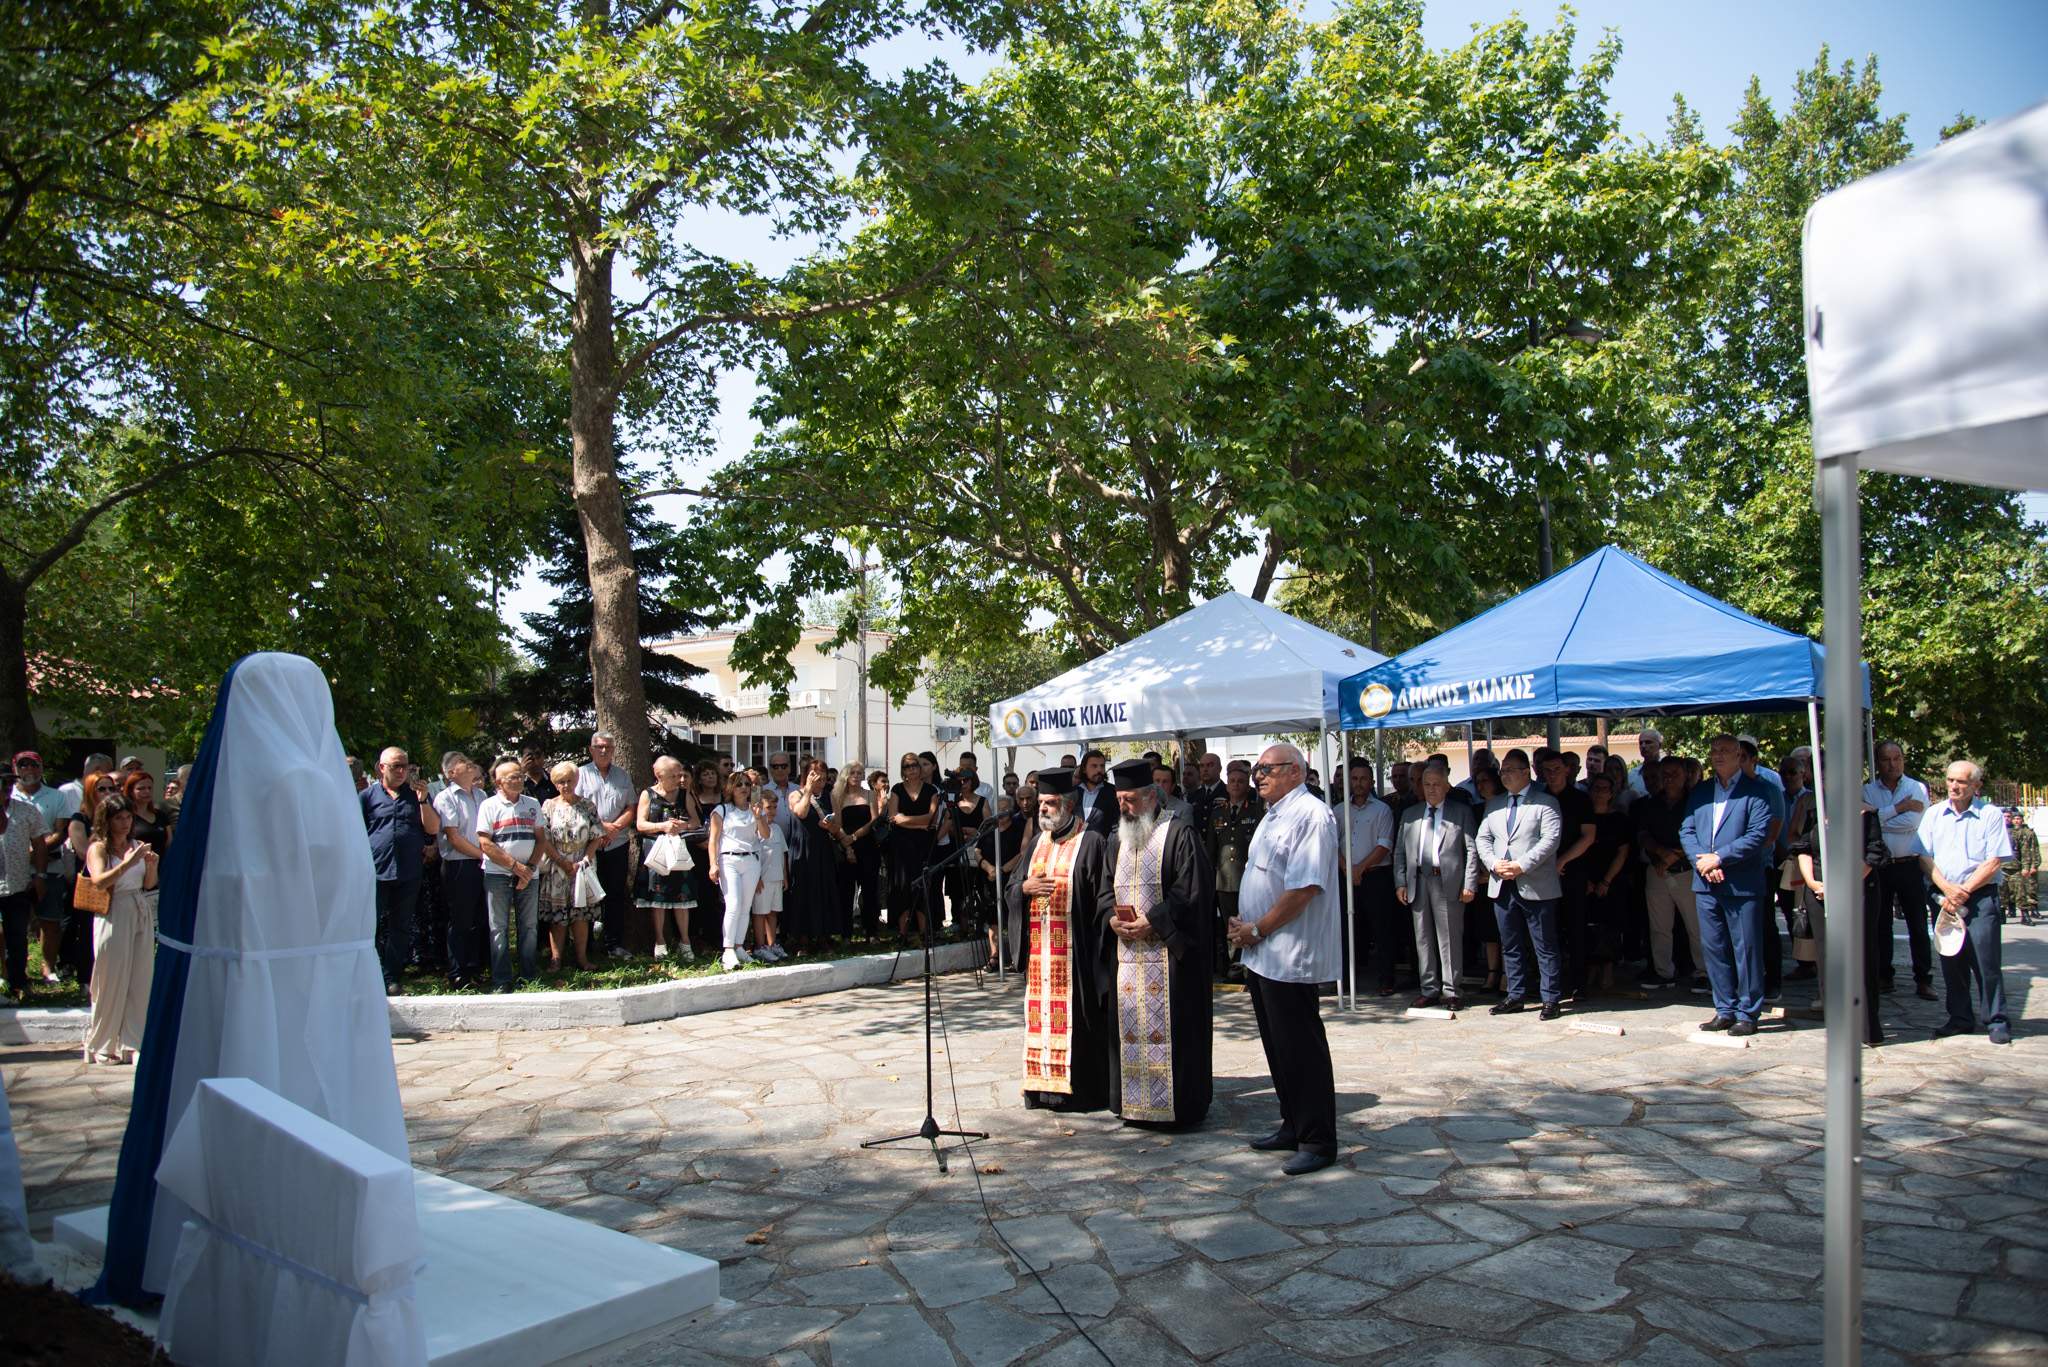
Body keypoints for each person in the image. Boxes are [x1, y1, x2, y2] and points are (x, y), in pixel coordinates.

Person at [1227, 744, 1341, 1175]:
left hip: (1290, 952)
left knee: (1301, 1048)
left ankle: (1317, 1140)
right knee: (1278, 1047)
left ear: (1295, 772)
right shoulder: (1274, 813)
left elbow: (1303, 889)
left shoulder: (1312, 815)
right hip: (1262, 952)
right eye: (1257, 768)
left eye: (1267, 769)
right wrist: (1246, 924)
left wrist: (1257, 928)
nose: (1258, 776)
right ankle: (1293, 1125)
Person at [1102, 757, 1214, 1130]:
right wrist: (1112, 919)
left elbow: (1193, 891)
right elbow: (1103, 891)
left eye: (1130, 799)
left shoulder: (1180, 834)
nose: (1124, 807)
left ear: (1152, 797)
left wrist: (1155, 921)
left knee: (1177, 1031)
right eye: (1120, 800)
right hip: (1127, 959)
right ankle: (1131, 1104)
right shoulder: (1116, 840)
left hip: (1170, 960)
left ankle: (1179, 1107)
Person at [1006, 767, 1116, 1113]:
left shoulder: (1091, 842)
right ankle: (1041, 1089)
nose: (1042, 808)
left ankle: (1080, 1092)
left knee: (1080, 1025)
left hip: (1077, 957)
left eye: (1049, 803)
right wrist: (1025, 888)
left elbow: (1104, 897)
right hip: (1040, 959)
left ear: (1069, 805)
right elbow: (1012, 886)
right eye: (1041, 803)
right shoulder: (1037, 843)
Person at [1784, 754, 1889, 1042]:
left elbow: (1873, 856)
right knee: (1828, 958)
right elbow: (1803, 848)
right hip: (1819, 893)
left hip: (1857, 892)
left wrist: (1839, 886)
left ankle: (1867, 1028)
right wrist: (1811, 882)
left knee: (1860, 957)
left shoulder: (1866, 814)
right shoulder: (1816, 813)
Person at [1680, 734, 1778, 1036]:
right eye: (1713, 751)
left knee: (1746, 950)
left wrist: (1719, 858)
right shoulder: (1701, 791)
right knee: (1714, 948)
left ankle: (1748, 1013)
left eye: (1724, 750)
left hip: (1742, 884)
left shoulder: (1758, 790)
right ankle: (1724, 1009)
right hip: (1706, 883)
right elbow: (1686, 830)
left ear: (1739, 755)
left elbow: (1758, 836)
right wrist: (1701, 862)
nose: (1717, 755)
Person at [1920, 761, 2013, 1045]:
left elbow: (1994, 860)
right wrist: (1947, 889)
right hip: (1943, 897)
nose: (1954, 786)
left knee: (1986, 960)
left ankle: (1996, 1020)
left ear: (1976, 785)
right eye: (1950, 780)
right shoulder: (1934, 814)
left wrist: (1964, 890)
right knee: (1951, 959)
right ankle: (1960, 1018)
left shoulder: (1990, 814)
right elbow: (1924, 857)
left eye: (1961, 781)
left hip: (1980, 897)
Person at [1475, 749, 1566, 1018]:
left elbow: (1550, 841)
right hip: (1502, 885)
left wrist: (1520, 865)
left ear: (1526, 773)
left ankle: (1551, 998)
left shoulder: (1546, 802)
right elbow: (1483, 839)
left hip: (1536, 884)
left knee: (1544, 945)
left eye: (1510, 770)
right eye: (1502, 770)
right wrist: (1494, 864)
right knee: (1510, 944)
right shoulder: (1494, 805)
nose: (1504, 775)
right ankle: (1515, 995)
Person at [1393, 763, 1482, 1009]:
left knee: (1449, 937)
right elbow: (1400, 851)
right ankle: (1429, 989)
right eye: (1426, 784)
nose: (1431, 789)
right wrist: (1400, 882)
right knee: (1422, 937)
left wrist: (1469, 884)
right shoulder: (1411, 814)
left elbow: (1472, 850)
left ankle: (1452, 991)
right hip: (1418, 880)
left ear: (1447, 786)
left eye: (1436, 784)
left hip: (1448, 880)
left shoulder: (1461, 812)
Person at [81, 793, 158, 1063]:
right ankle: (101, 1044)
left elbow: (148, 884)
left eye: (128, 817)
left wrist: (151, 865)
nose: (125, 823)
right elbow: (99, 881)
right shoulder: (99, 848)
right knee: (111, 979)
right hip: (113, 911)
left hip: (139, 908)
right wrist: (128, 862)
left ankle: (132, 1042)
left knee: (140, 979)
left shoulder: (136, 845)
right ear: (107, 820)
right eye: (119, 818)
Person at [359, 747, 441, 994]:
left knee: (400, 927)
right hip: (375, 872)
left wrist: (423, 800)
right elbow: (355, 831)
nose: (401, 771)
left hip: (408, 872)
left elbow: (432, 829)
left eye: (405, 766)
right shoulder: (367, 796)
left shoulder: (415, 795)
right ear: (381, 768)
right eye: (395, 765)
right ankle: (366, 976)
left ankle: (391, 978)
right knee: (369, 927)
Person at [477, 758, 556, 994]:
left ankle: (528, 977)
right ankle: (502, 980)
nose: (520, 780)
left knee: (529, 927)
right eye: (513, 777)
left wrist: (528, 868)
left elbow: (541, 840)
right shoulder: (489, 806)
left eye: (520, 776)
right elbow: (485, 843)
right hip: (498, 875)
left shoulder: (531, 804)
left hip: (529, 875)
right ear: (499, 782)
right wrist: (515, 867)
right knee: (498, 928)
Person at [1635, 757, 1705, 991]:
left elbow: (1703, 836)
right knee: (1659, 928)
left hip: (1688, 872)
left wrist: (1674, 856)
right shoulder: (1652, 804)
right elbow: (1643, 835)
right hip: (1657, 872)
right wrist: (1661, 853)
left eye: (1675, 774)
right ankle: (1662, 972)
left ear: (1686, 775)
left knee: (1697, 928)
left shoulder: (1696, 802)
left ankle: (1704, 973)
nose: (1670, 779)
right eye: (1665, 774)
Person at [1536, 751, 1597, 997]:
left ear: (1567, 770)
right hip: (1544, 873)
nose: (1552, 775)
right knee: (1547, 932)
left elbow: (1589, 837)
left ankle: (1579, 984)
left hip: (1573, 873)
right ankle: (1551, 985)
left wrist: (1561, 860)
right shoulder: (1537, 799)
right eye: (1547, 771)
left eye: (1557, 770)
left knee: (1576, 930)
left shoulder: (1581, 799)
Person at [12, 753, 74, 987]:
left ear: (41, 767)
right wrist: (26, 855)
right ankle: (12, 971)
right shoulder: (6, 794)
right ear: (14, 768)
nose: (28, 768)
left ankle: (49, 968)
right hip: (13, 870)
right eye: (23, 764)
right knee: (12, 923)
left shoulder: (56, 796)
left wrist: (37, 852)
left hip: (50, 867)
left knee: (50, 920)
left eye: (34, 764)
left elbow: (61, 831)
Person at [539, 760, 605, 972]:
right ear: (555, 784)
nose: (565, 785)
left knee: (581, 915)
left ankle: (582, 959)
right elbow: (543, 838)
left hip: (582, 865)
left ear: (576, 781)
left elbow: (597, 836)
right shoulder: (548, 806)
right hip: (557, 865)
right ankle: (556, 959)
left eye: (569, 781)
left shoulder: (587, 806)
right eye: (561, 782)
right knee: (558, 916)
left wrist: (584, 860)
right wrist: (561, 861)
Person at [1340, 758, 1398, 997]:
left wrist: (1360, 869)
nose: (1358, 783)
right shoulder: (1339, 809)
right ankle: (1344, 978)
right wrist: (1347, 869)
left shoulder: (1382, 810)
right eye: (1354, 779)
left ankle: (1386, 979)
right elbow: (1332, 843)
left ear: (1372, 782)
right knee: (1346, 929)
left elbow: (1384, 845)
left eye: (1363, 779)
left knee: (1381, 929)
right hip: (1346, 876)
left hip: (1375, 877)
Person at [577, 733, 638, 959]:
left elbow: (631, 807)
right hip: (587, 846)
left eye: (608, 747)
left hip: (617, 843)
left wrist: (614, 829)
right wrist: (600, 829)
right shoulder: (580, 775)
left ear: (614, 750)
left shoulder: (623, 776)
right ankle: (585, 946)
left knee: (615, 895)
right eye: (599, 747)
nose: (604, 751)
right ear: (591, 750)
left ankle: (613, 944)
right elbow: (574, 805)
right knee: (586, 895)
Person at [431, 753, 490, 989]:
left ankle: (474, 968)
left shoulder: (481, 795)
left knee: (479, 919)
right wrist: (483, 855)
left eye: (468, 759)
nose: (469, 762)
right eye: (462, 761)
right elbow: (453, 838)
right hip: (460, 865)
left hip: (482, 864)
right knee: (460, 920)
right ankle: (458, 972)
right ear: (451, 773)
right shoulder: (445, 798)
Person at [1205, 759, 1264, 982]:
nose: (1236, 785)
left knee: (1250, 923)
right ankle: (1235, 966)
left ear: (1248, 786)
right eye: (1232, 781)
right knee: (1230, 925)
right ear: (1227, 785)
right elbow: (1212, 850)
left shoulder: (1256, 811)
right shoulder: (1218, 813)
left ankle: (1251, 968)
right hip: (1225, 880)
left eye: (1241, 781)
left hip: (1249, 879)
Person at [635, 756, 699, 961]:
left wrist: (684, 825)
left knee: (682, 895)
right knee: (658, 896)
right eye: (673, 776)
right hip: (656, 850)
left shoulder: (684, 794)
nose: (678, 779)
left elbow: (695, 820)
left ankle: (685, 942)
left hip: (678, 851)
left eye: (679, 775)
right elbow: (640, 824)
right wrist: (661, 826)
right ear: (659, 775)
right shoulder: (648, 794)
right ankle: (660, 941)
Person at [707, 771, 768, 970]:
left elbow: (765, 835)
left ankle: (739, 946)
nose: (744, 788)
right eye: (739, 784)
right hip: (729, 860)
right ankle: (728, 949)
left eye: (747, 785)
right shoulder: (722, 810)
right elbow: (714, 840)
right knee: (733, 904)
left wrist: (758, 817)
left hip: (751, 860)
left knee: (745, 907)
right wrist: (713, 864)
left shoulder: (756, 809)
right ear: (731, 788)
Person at [0, 765, 50, 1003]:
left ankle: (18, 982)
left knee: (18, 937)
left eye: (10, 783)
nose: (6, 787)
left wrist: (40, 875)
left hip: (18, 885)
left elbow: (40, 844)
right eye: (2, 782)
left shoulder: (26, 810)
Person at [1579, 773, 1634, 992]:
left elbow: (1623, 852)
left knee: (1610, 925)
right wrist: (1586, 880)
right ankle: (1592, 968)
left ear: (1612, 794)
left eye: (1605, 789)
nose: (1600, 793)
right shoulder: (1583, 817)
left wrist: (1605, 881)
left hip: (1611, 879)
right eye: (1596, 788)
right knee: (1588, 925)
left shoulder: (1619, 818)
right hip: (1585, 879)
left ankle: (1608, 970)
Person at [785, 756, 842, 950]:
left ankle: (823, 936)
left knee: (823, 890)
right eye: (817, 778)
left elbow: (838, 826)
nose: (821, 783)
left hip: (822, 849)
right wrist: (808, 790)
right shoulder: (795, 795)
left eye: (823, 779)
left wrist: (830, 826)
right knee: (802, 891)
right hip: (802, 849)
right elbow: (800, 812)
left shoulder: (828, 797)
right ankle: (802, 938)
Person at [883, 751, 940, 940]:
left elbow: (932, 819)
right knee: (903, 886)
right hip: (901, 846)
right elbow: (893, 819)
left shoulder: (931, 790)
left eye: (914, 764)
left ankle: (924, 933)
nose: (911, 769)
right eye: (907, 766)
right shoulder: (897, 789)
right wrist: (920, 824)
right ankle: (902, 932)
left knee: (922, 886)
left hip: (924, 845)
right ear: (903, 770)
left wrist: (906, 819)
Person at [976, 797, 1026, 967]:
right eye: (999, 809)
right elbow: (977, 851)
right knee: (993, 918)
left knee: (1011, 917)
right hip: (989, 878)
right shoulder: (988, 828)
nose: (1001, 813)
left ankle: (1014, 957)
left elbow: (1021, 854)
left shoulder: (1018, 829)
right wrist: (989, 868)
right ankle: (994, 956)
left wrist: (1001, 870)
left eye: (1005, 809)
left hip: (1010, 878)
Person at [832, 765, 881, 940]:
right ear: (845, 775)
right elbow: (837, 824)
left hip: (867, 846)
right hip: (845, 847)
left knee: (869, 891)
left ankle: (871, 932)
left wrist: (854, 836)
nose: (855, 775)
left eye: (859, 773)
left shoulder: (869, 794)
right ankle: (846, 934)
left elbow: (874, 820)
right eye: (852, 772)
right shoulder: (838, 796)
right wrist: (848, 846)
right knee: (846, 893)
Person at [685, 760, 726, 954]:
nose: (710, 777)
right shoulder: (693, 798)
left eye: (713, 773)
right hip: (700, 850)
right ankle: (703, 936)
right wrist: (701, 841)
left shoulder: (724, 796)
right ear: (699, 779)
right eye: (706, 774)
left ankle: (720, 936)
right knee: (703, 894)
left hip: (723, 848)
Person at [749, 789, 789, 960]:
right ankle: (760, 945)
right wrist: (756, 878)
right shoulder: (755, 829)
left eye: (774, 807)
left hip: (776, 878)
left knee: (773, 912)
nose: (772, 811)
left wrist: (784, 876)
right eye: (768, 807)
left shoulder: (777, 828)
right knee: (760, 913)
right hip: (763, 879)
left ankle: (772, 944)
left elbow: (782, 854)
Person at [2001, 809, 2040, 926]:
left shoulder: (2018, 833)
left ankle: (2025, 915)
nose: (2006, 819)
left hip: (2015, 868)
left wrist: (2026, 867)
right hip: (2000, 868)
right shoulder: (1997, 831)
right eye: (2004, 817)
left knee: (2020, 892)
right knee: (2001, 893)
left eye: (2009, 817)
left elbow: (2025, 850)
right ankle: (2001, 916)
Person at [1074, 750, 1117, 838]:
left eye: (1102, 766)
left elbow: (1116, 827)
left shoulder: (1113, 793)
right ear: (1084, 769)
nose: (1099, 770)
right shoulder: (1074, 793)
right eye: (1094, 766)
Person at [1628, 729, 1665, 796]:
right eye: (1641, 743)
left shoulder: (1668, 771)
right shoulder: (1632, 775)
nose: (1643, 746)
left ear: (1659, 745)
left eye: (1648, 742)